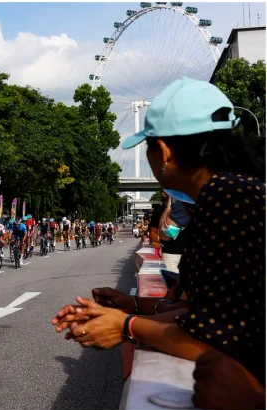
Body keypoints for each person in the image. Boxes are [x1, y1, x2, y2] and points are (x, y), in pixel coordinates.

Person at [51, 77, 265, 387]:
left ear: (162, 151)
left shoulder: (226, 197)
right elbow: (203, 313)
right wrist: (132, 310)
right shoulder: (231, 192)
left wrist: (127, 326)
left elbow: (222, 338)